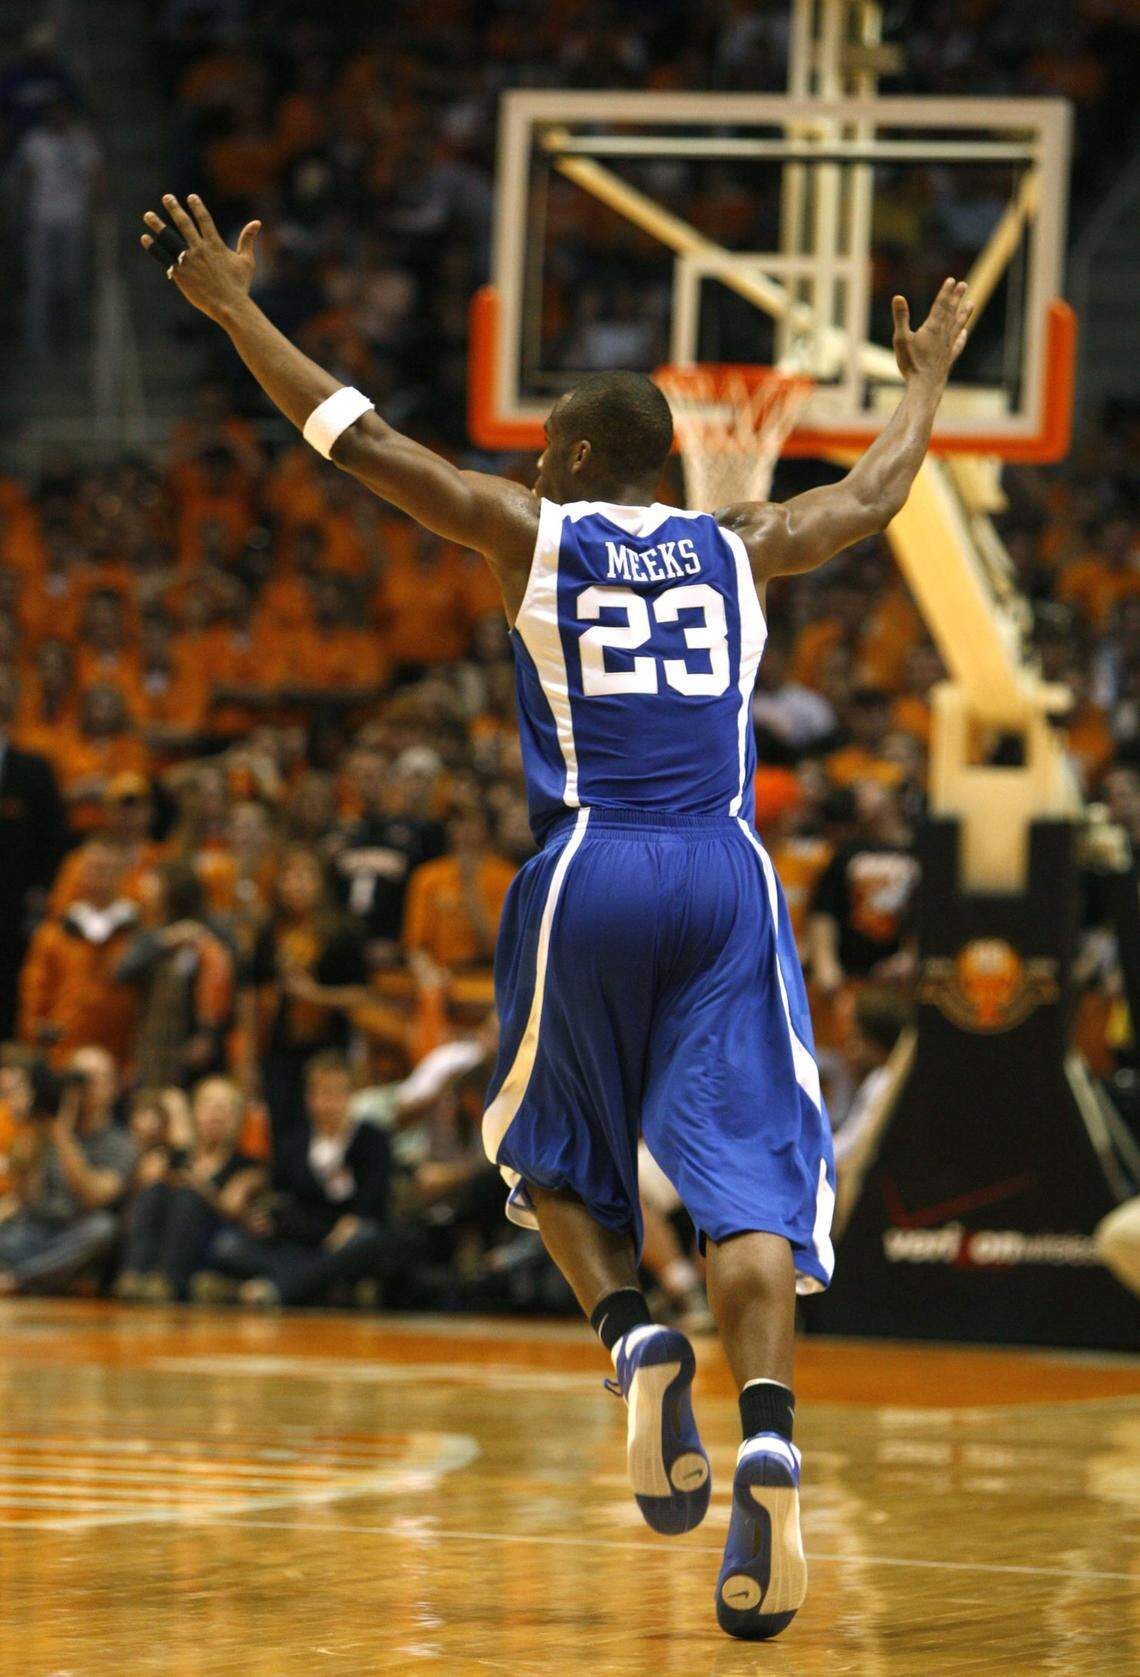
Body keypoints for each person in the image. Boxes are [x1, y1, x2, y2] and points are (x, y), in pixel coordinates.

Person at [141, 190, 971, 1641]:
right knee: (751, 1185)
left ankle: (631, 1334)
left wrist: (234, 313)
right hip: (725, 873)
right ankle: (765, 1428)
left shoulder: (534, 533)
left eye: (548, 445)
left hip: (592, 862)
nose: (533, 458)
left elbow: (363, 439)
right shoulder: (739, 542)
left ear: (582, 457)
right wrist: (922, 386)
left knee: (541, 1154)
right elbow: (878, 499)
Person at [0, 1046, 136, 1296]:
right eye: (77, 1078)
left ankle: (18, 1281)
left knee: (103, 1228)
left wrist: (62, 1134)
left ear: (113, 1088)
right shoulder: (43, 1126)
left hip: (75, 1232)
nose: (83, 1088)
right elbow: (25, 1197)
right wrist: (28, 1126)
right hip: (33, 1230)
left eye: (92, 1080)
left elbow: (95, 1196)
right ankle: (49, 1278)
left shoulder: (121, 1143)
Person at [117, 1076, 264, 1301]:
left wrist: (191, 1176)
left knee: (188, 1197)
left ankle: (168, 1283)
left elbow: (230, 1207)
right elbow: (137, 1199)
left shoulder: (248, 1166)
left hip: (212, 1246)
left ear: (238, 1118)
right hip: (161, 1242)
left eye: (224, 1108)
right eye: (208, 1105)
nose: (216, 1115)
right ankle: (134, 1275)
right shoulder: (170, 1156)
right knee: (155, 1192)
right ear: (195, 1111)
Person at [0, 667, 66, 1036]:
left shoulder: (33, 770)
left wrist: (41, 891)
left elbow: (53, 838)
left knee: (14, 986)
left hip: (14, 905)